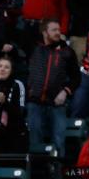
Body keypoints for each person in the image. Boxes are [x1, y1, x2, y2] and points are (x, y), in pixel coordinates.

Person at [27, 19, 79, 157]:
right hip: (34, 102)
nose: (58, 33)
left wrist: (65, 91)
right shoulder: (33, 47)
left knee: (59, 139)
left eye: (58, 29)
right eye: (54, 30)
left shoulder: (67, 52)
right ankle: (37, 172)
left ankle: (57, 173)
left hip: (57, 103)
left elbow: (76, 78)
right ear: (45, 32)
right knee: (35, 140)